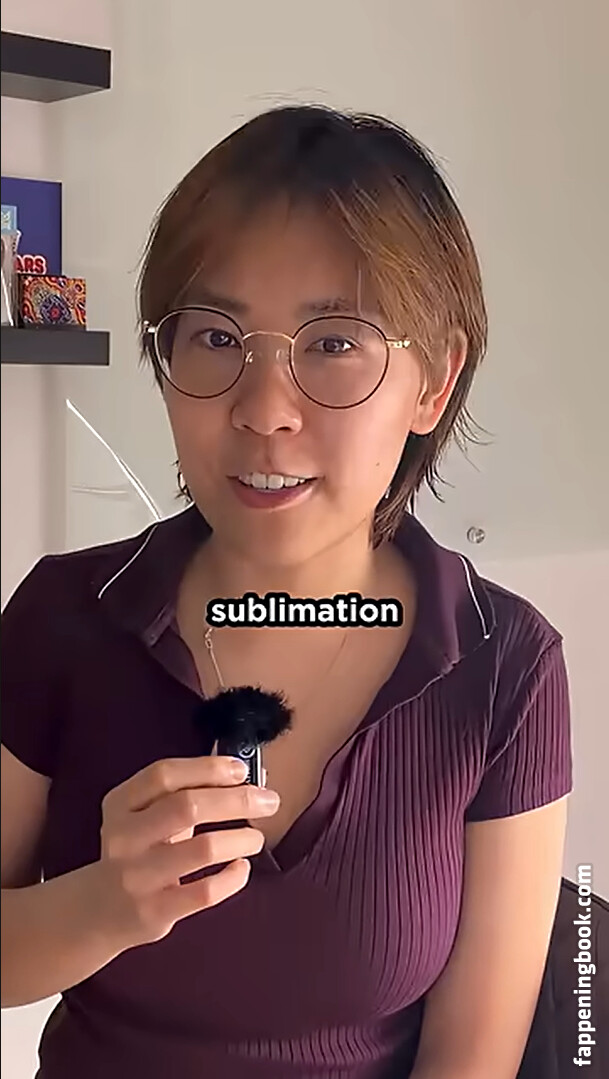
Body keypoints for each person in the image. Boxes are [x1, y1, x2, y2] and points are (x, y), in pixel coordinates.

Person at [1, 105, 573, 1079]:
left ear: (432, 384)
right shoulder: (62, 618)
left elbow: (470, 1056)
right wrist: (101, 903)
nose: (264, 409)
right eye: (215, 336)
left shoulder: (505, 664)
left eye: (334, 343)